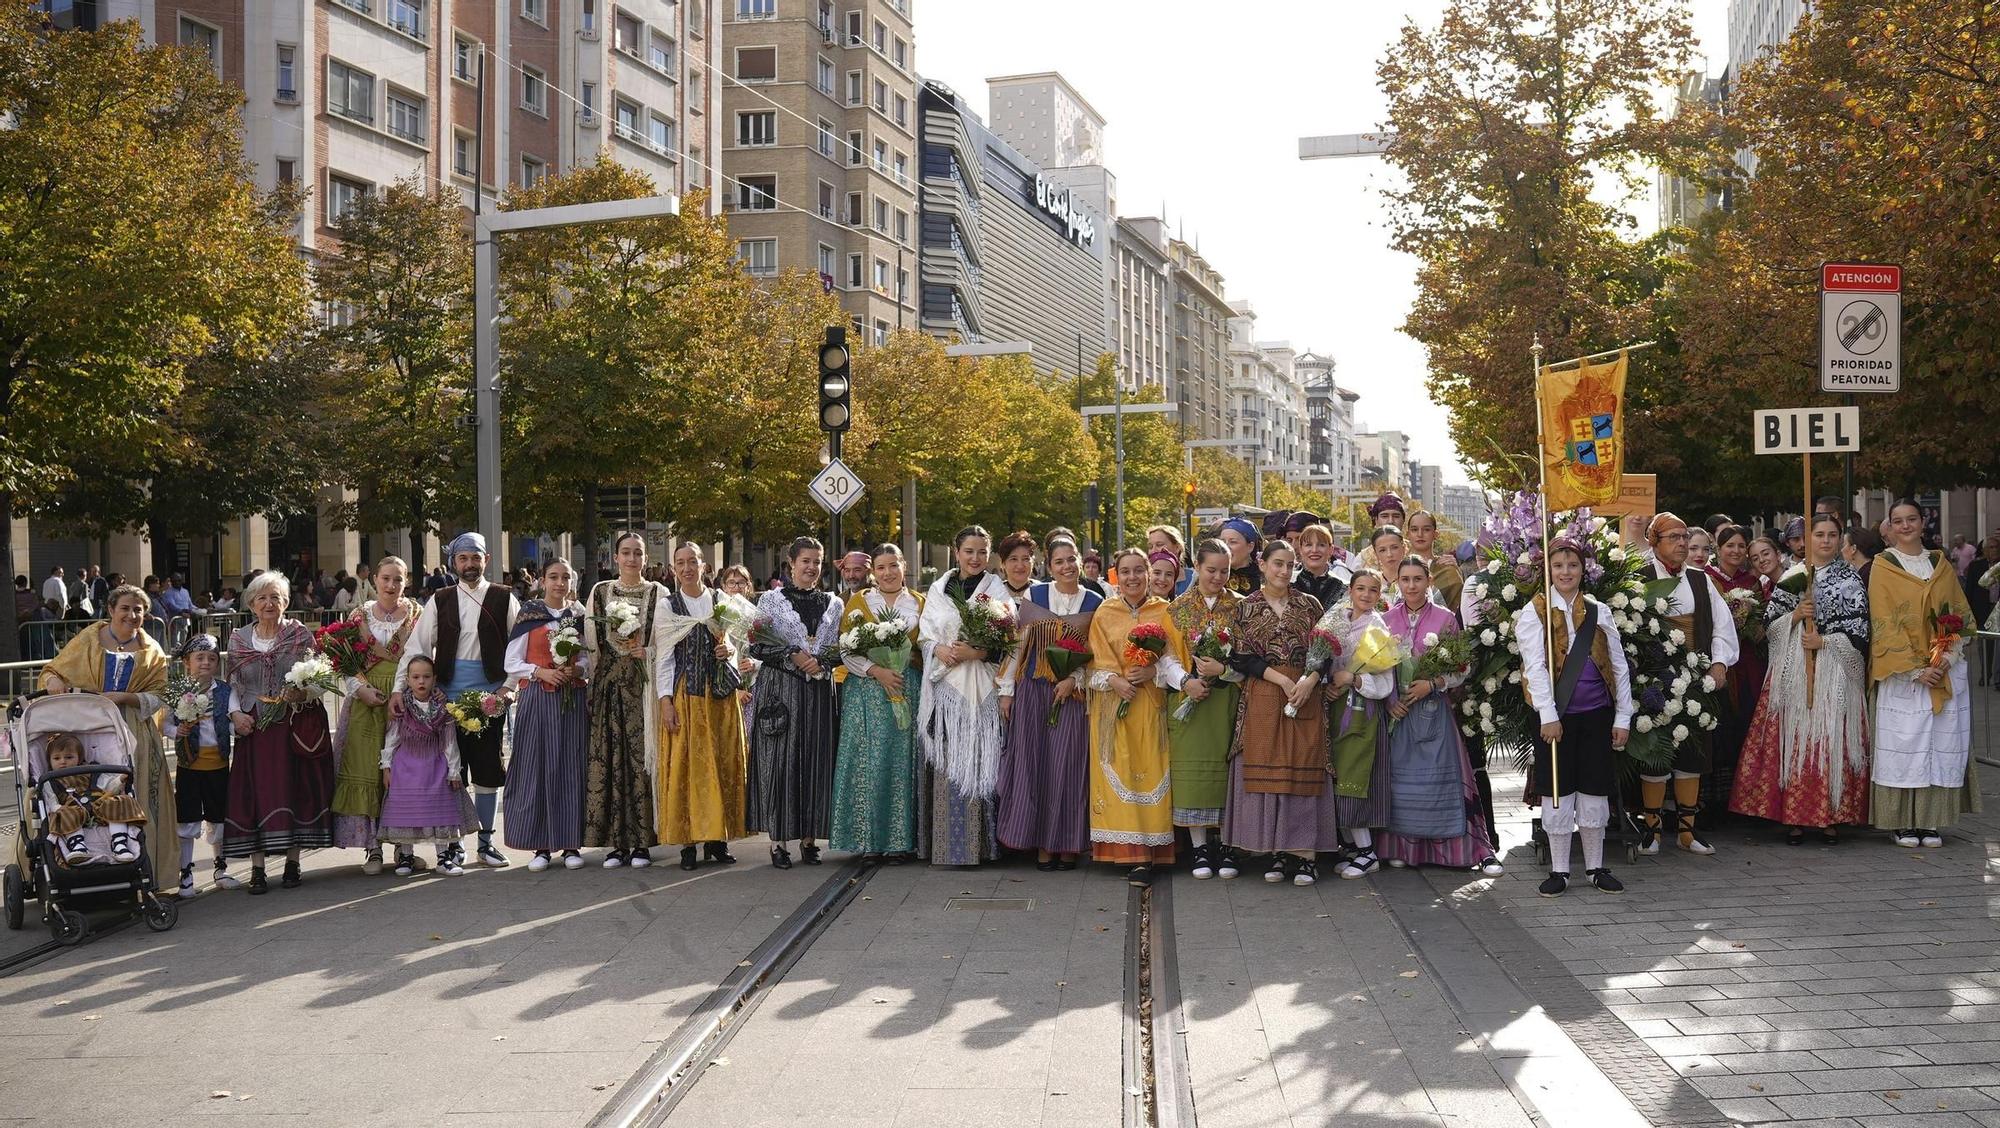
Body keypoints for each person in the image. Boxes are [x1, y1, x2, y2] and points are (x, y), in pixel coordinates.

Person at [1731, 514, 1871, 843]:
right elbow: (1770, 628)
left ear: (1840, 540)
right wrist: (1794, 617)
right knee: (1793, 741)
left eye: (1832, 535)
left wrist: (1826, 642)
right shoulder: (1793, 576)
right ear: (1807, 539)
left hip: (1834, 673)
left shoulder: (1850, 579)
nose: (1825, 540)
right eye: (1819, 534)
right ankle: (1793, 817)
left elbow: (1861, 630)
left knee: (1828, 741)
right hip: (1794, 673)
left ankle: (1829, 816)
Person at [39, 583, 178, 893]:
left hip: (131, 730)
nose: (131, 615)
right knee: (78, 790)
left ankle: (143, 869)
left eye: (138, 610)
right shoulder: (89, 638)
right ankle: (82, 863)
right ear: (111, 610)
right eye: (125, 608)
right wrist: (53, 682)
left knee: (133, 793)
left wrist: (125, 697)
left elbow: (159, 695)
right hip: (84, 729)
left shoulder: (151, 650)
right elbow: (55, 670)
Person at [395, 532, 520, 869]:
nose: (469, 564)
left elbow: (518, 649)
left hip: (490, 697)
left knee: (487, 772)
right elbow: (418, 647)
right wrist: (398, 689)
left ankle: (486, 842)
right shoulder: (441, 599)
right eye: (463, 558)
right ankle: (454, 844)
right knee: (450, 771)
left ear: (486, 560)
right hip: (446, 699)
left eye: (475, 558)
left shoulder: (504, 598)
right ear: (453, 562)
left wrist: (507, 689)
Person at [1515, 538, 1633, 896]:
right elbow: (1534, 667)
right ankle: (1560, 870)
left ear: (1584, 570)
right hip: (1557, 719)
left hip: (1597, 714)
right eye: (1558, 566)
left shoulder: (1599, 610)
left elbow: (1618, 664)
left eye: (1573, 566)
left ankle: (1596, 866)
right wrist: (1548, 714)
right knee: (1559, 791)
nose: (1565, 572)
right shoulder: (1533, 612)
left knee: (1595, 789)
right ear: (1547, 571)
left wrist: (1623, 716)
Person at [1221, 541, 1335, 886]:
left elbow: (1326, 650)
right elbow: (1241, 657)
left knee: (1303, 769)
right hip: (1264, 694)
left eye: (1290, 565)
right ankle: (1275, 851)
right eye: (1278, 564)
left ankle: (1305, 856)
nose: (1284, 571)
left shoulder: (1309, 605)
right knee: (1265, 769)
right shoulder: (1246, 608)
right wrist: (1283, 682)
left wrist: (1309, 679)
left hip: (1306, 695)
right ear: (1262, 563)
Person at [1377, 558, 1500, 875]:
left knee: (1442, 783)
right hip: (1399, 716)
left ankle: (1462, 851)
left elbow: (1462, 668)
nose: (1412, 586)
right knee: (1402, 786)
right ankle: (1403, 849)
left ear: (1429, 581)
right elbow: (1375, 669)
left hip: (1436, 713)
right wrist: (1391, 701)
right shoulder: (1385, 619)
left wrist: (1432, 684)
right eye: (1405, 579)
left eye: (1418, 579)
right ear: (1398, 583)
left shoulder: (1446, 618)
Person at [1869, 499, 1979, 848]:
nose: (1905, 526)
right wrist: (1916, 668)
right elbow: (1883, 620)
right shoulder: (1883, 566)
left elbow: (1959, 614)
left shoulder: (1940, 563)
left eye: (1911, 519)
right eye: (1898, 521)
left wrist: (1946, 655)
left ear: (1922, 522)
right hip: (1904, 673)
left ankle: (1930, 822)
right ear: (1889, 527)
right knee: (1905, 743)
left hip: (1944, 666)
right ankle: (1902, 822)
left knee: (1938, 741)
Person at [218, 572, 330, 893]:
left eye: (276, 597)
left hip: (289, 723)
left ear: (286, 602)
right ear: (252, 605)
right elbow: (234, 684)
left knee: (291, 788)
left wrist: (304, 693)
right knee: (254, 791)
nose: (269, 603)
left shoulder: (299, 635)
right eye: (262, 598)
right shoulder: (238, 639)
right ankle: (257, 869)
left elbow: (319, 677)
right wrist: (237, 714)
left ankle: (293, 862)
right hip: (253, 726)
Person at [996, 536, 1102, 870]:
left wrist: (1075, 680)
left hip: (1073, 693)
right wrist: (1006, 690)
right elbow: (1018, 645)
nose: (1067, 566)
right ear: (1049, 566)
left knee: (1068, 767)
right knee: (1034, 764)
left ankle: (1068, 844)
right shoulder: (1035, 595)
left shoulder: (1096, 601)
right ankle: (1041, 844)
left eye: (1072, 559)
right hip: (1033, 688)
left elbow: (1098, 655)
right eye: (1059, 562)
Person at [1086, 546, 1188, 886]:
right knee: (1120, 769)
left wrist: (1152, 673)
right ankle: (1127, 852)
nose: (1132, 577)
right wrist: (1115, 679)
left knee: (1152, 769)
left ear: (1148, 573)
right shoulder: (1104, 612)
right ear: (1116, 575)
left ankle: (1151, 852)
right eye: (1125, 571)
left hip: (1151, 705)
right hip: (1113, 708)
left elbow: (1177, 658)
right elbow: (1094, 662)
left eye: (1138, 571)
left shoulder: (1165, 611)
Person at [1637, 513, 1738, 857]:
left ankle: (1687, 832)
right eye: (1673, 537)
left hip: (1695, 678)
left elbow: (1722, 625)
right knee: (1655, 753)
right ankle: (1651, 831)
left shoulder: (1700, 579)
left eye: (1685, 537)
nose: (1681, 544)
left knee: (1692, 754)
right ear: (1654, 541)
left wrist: (1721, 662)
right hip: (1652, 679)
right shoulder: (1640, 578)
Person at [913, 527, 1012, 866]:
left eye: (982, 552)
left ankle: (983, 849)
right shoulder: (939, 590)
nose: (975, 558)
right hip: (946, 690)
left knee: (983, 762)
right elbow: (925, 637)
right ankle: (947, 848)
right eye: (969, 551)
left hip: (983, 687)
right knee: (949, 761)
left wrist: (979, 652)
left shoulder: (997, 590)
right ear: (956, 552)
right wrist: (938, 648)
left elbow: (1007, 640)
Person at [748, 537, 842, 868]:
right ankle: (778, 842)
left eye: (817, 561)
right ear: (791, 563)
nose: (812, 567)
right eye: (805, 561)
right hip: (781, 691)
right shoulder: (771, 601)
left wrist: (824, 661)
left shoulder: (834, 602)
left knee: (816, 760)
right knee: (781, 764)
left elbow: (840, 646)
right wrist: (792, 654)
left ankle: (809, 839)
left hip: (818, 692)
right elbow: (756, 646)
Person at [655, 543, 749, 871]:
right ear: (673, 568)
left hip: (719, 696)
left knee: (721, 763)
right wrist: (665, 701)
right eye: (680, 563)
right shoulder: (669, 606)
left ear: (703, 565)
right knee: (688, 768)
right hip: (687, 694)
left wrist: (729, 654)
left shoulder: (720, 600)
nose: (686, 568)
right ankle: (688, 843)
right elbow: (665, 657)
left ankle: (717, 840)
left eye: (692, 561)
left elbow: (736, 644)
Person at [831, 544, 925, 861]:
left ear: (904, 566)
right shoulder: (859, 602)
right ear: (874, 571)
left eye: (893, 566)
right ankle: (867, 839)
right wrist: (877, 670)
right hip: (867, 691)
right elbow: (846, 649)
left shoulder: (919, 603)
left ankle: (901, 841)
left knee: (902, 763)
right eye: (881, 567)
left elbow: (927, 646)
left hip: (906, 687)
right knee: (868, 762)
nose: (887, 573)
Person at [579, 532, 663, 868]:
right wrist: (592, 687)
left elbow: (667, 644)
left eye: (638, 553)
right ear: (615, 557)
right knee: (610, 761)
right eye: (626, 553)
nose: (631, 559)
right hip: (610, 689)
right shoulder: (600, 593)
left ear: (646, 558)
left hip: (642, 689)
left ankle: (642, 842)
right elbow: (590, 644)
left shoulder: (659, 594)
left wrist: (649, 652)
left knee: (641, 762)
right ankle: (616, 844)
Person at [331, 556, 419, 875]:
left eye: (398, 579)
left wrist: (407, 692)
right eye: (386, 578)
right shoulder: (359, 615)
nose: (391, 585)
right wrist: (361, 689)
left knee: (402, 772)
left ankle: (404, 847)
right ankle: (373, 848)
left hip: (405, 699)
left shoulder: (417, 614)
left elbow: (421, 658)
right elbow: (345, 661)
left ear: (405, 581)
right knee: (368, 770)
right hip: (366, 701)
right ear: (375, 580)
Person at [503, 558, 591, 871]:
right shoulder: (530, 613)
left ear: (572, 581)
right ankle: (540, 846)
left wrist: (575, 668)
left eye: (565, 577)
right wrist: (541, 672)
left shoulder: (579, 615)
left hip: (572, 699)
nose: (559, 583)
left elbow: (589, 661)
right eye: (553, 576)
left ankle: (570, 843)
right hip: (537, 699)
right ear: (542, 580)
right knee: (536, 767)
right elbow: (511, 662)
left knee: (571, 766)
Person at [1164, 540, 1245, 878]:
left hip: (1226, 699)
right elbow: (1164, 657)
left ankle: (1225, 844)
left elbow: (1248, 658)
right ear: (1196, 566)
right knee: (1191, 775)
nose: (1218, 577)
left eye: (1224, 571)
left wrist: (1224, 671)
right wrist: (1186, 681)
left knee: (1226, 773)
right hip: (1189, 699)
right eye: (1211, 570)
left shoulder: (1241, 607)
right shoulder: (1175, 609)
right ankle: (1199, 848)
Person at [1322, 568, 1397, 880]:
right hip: (1336, 708)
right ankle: (1353, 847)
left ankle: (1367, 852)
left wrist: (1353, 678)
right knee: (1339, 777)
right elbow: (1322, 658)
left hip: (1362, 712)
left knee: (1355, 778)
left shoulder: (1377, 628)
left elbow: (1385, 683)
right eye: (1361, 588)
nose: (1366, 595)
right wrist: (1328, 680)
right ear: (1350, 590)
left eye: (1373, 590)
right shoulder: (1335, 619)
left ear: (1379, 596)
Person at [377, 655, 467, 876]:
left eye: (426, 677)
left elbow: (449, 742)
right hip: (405, 767)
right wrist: (386, 767)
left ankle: (443, 857)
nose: (421, 682)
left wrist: (454, 771)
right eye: (416, 677)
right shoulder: (402, 707)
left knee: (439, 811)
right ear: (407, 680)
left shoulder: (443, 708)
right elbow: (392, 738)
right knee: (407, 812)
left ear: (434, 679)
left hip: (435, 766)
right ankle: (405, 856)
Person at [166, 635, 236, 895]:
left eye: (212, 658)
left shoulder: (226, 691)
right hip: (189, 766)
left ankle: (220, 868)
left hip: (217, 765)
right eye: (199, 658)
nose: (206, 663)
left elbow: (232, 718)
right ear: (187, 662)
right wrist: (178, 730)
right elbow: (165, 723)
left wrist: (238, 726)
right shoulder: (177, 690)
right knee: (187, 820)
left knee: (219, 818)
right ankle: (186, 875)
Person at [1706, 525, 1767, 802]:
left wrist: (1747, 623)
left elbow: (1763, 620)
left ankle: (1744, 797)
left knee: (1746, 720)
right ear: (1718, 549)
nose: (1736, 551)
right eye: (1730, 545)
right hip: (1719, 662)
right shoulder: (1706, 579)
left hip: (1747, 662)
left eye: (1741, 546)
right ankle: (1714, 798)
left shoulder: (1751, 582)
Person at [44, 733, 146, 865]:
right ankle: (77, 845)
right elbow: (52, 802)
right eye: (57, 758)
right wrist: (59, 810)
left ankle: (120, 843)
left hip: (99, 806)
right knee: (60, 813)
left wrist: (120, 780)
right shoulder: (50, 781)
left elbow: (109, 786)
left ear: (79, 758)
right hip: (73, 812)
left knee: (120, 801)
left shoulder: (91, 771)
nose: (63, 761)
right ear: (50, 761)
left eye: (69, 757)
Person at [1408, 511, 1462, 611]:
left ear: (1436, 534)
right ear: (1408, 534)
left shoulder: (1448, 570)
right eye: (1414, 529)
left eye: (1426, 529)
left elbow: (1457, 611)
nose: (1420, 534)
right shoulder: (1400, 568)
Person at [1292, 524, 1345, 609]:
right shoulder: (1288, 584)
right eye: (1308, 545)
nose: (1314, 550)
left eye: (1321, 545)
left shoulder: (1342, 588)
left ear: (1331, 550)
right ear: (1301, 549)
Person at [1216, 517, 1263, 595]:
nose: (1226, 547)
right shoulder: (1213, 575)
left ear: (1250, 546)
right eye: (1223, 542)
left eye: (1233, 542)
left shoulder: (1263, 576)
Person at [1145, 526, 1194, 597]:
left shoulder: (1195, 579)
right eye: (1150, 546)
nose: (1153, 550)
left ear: (1177, 547)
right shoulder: (1141, 581)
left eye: (1159, 545)